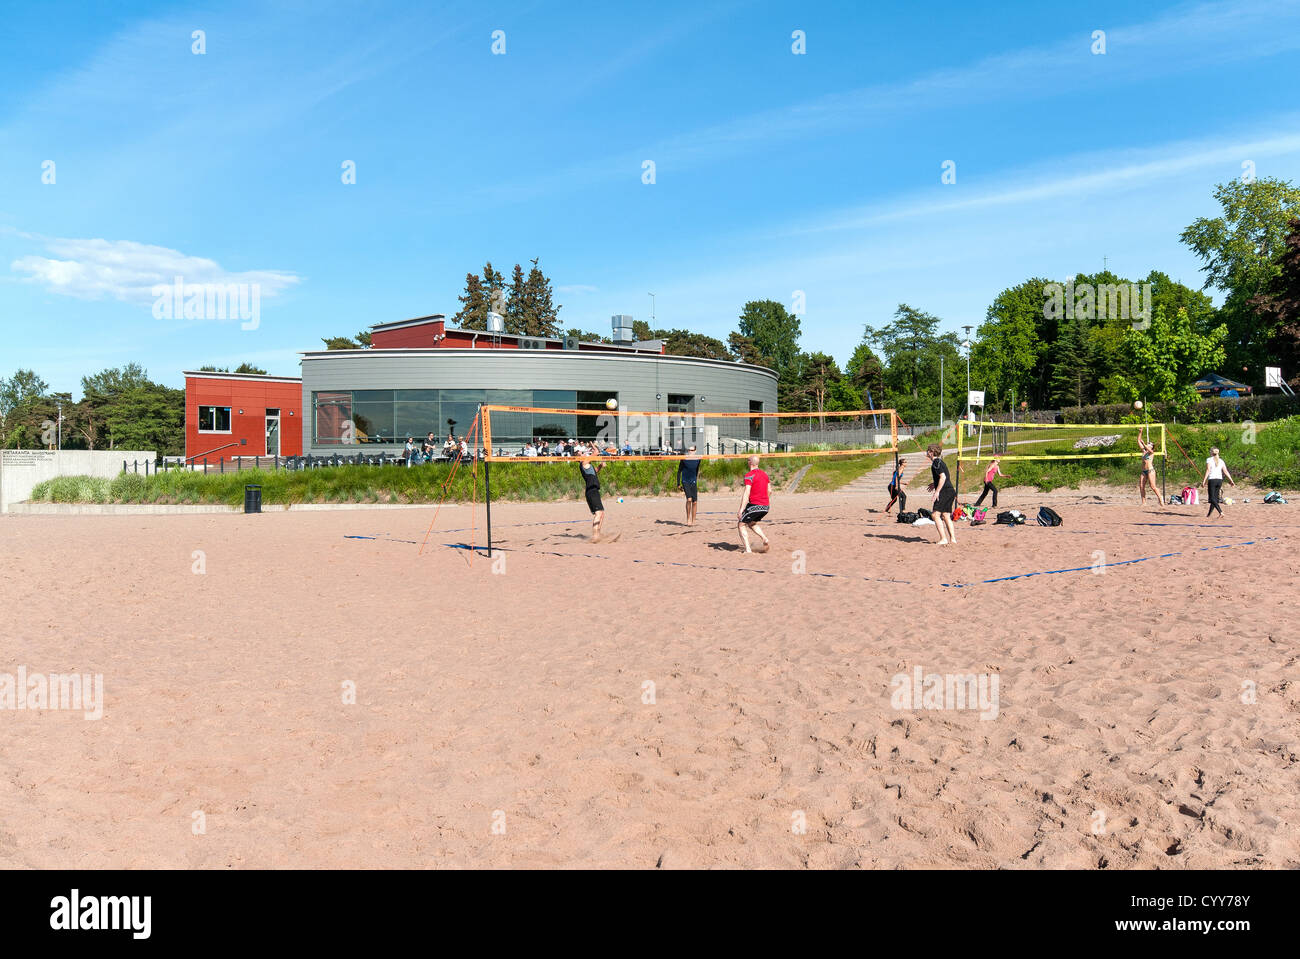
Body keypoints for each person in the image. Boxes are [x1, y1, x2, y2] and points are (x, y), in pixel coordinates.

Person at [737, 455, 770, 553]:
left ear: (750, 462)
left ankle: (748, 549)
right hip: (766, 506)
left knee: (741, 524)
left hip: (755, 505)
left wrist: (741, 510)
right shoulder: (765, 474)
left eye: (748, 460)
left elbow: (746, 493)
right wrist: (764, 500)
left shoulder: (749, 475)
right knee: (751, 523)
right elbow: (770, 490)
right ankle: (764, 538)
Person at [925, 442, 957, 546]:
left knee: (935, 515)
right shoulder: (940, 462)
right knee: (946, 515)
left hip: (945, 491)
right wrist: (934, 484)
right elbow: (943, 477)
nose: (927, 453)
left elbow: (943, 477)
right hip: (950, 490)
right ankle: (953, 539)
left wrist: (937, 492)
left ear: (932, 452)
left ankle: (943, 538)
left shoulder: (935, 463)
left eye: (928, 451)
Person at [579, 453, 612, 542]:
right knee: (598, 513)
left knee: (601, 513)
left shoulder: (588, 466)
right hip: (591, 491)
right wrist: (595, 448)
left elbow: (596, 470)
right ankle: (595, 536)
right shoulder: (583, 463)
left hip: (594, 491)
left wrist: (600, 465)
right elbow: (595, 453)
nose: (584, 454)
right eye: (582, 454)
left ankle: (598, 533)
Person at [1200, 446, 1236, 518]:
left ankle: (1220, 512)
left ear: (1211, 452)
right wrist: (1231, 480)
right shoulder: (1221, 461)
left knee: (1212, 498)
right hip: (1219, 480)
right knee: (1215, 498)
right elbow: (1225, 471)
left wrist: (1204, 481)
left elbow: (1208, 470)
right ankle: (1209, 515)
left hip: (1212, 480)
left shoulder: (1209, 460)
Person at [676, 445, 702, 525]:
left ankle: (693, 520)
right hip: (685, 480)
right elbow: (679, 471)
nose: (690, 451)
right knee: (689, 499)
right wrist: (678, 484)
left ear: (695, 451)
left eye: (692, 450)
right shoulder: (684, 459)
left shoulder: (698, 459)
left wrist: (695, 479)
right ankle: (688, 519)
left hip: (693, 481)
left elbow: (697, 470)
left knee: (695, 502)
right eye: (689, 450)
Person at [1138, 426, 1159, 507]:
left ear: (1151, 447)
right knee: (1141, 486)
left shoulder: (1151, 452)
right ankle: (1144, 502)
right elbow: (1138, 441)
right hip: (1143, 471)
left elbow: (1148, 448)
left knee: (1153, 487)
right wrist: (1140, 432)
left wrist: (1144, 444)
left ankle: (1160, 499)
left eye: (1149, 444)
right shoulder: (1144, 451)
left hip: (1150, 470)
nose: (1148, 444)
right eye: (1148, 443)